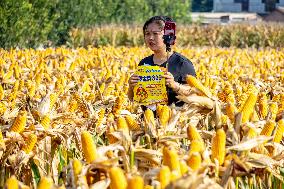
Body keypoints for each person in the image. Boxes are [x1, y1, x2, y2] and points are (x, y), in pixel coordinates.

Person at [128, 16, 196, 111]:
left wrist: (174, 85)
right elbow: (133, 99)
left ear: (168, 36)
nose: (150, 38)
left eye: (155, 34)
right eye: (147, 34)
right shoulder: (144, 63)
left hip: (176, 121)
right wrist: (131, 86)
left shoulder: (182, 63)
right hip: (148, 120)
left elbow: (195, 94)